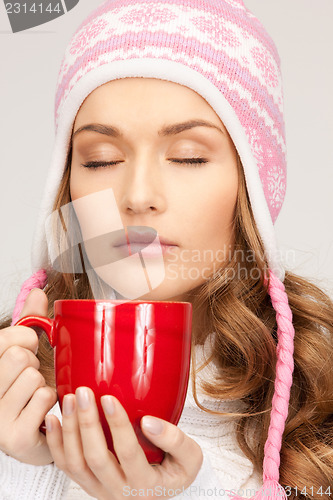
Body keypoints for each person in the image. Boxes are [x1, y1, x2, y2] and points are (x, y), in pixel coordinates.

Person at [0, 0, 332, 499]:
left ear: (253, 189)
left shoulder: (317, 402)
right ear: (65, 188)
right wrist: (19, 469)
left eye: (188, 157)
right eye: (100, 160)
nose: (137, 197)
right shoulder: (9, 384)